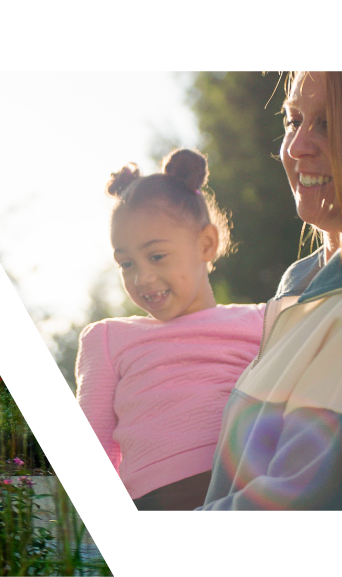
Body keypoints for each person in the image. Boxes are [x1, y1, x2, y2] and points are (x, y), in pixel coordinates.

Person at [196, 71, 342, 525]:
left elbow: (294, 522)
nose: (296, 147)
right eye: (293, 120)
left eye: (329, 124)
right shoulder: (302, 287)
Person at [75, 149, 265, 525]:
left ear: (206, 244)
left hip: (250, 494)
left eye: (157, 256)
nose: (142, 278)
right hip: (162, 511)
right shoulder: (109, 338)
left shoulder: (261, 321)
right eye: (126, 263)